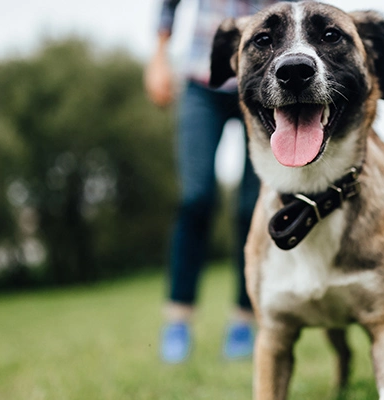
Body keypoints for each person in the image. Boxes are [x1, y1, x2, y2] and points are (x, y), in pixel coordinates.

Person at [147, 0, 292, 364]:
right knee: (194, 199)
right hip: (201, 80)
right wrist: (159, 57)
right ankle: (178, 320)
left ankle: (243, 319)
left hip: (262, 79)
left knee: (251, 207)